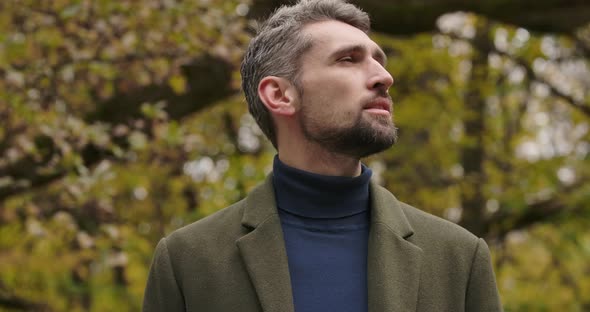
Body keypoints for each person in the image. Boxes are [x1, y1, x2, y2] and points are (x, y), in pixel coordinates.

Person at [142, 0, 503, 311]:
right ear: (281, 95)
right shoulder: (188, 261)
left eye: (379, 60)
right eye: (349, 59)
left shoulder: (458, 258)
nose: (384, 77)